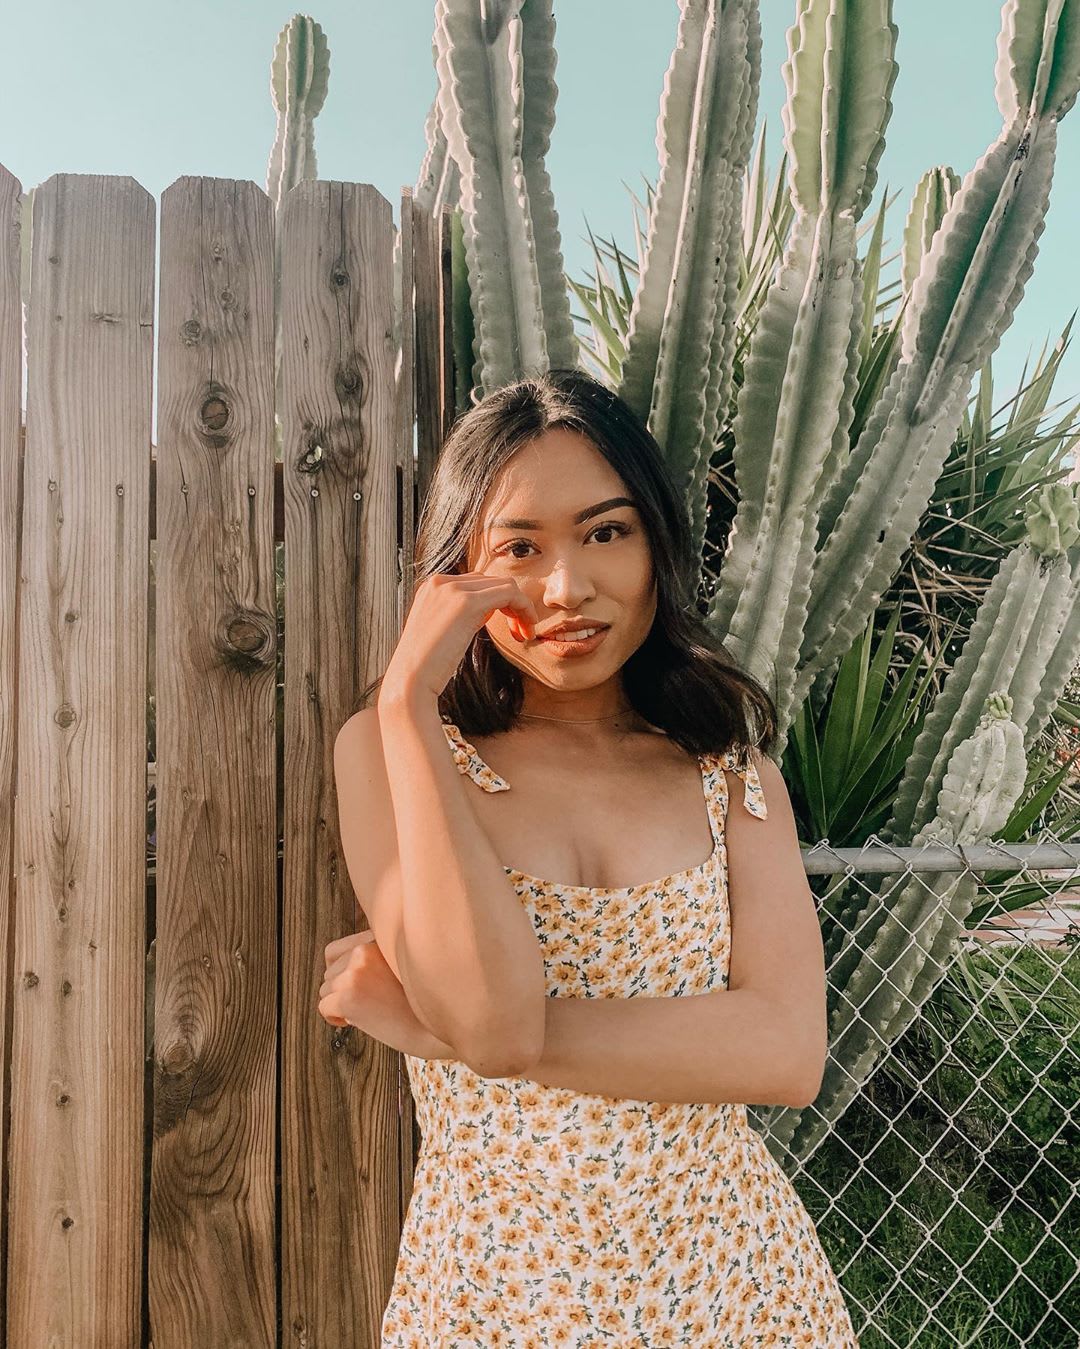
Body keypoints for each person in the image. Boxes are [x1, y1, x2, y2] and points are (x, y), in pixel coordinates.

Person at [323, 368, 860, 1346]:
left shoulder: (729, 775)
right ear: (458, 571)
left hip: (735, 1290)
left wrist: (446, 1031)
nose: (566, 587)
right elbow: (493, 1017)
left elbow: (785, 1052)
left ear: (656, 541)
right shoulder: (395, 755)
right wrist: (406, 699)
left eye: (606, 531)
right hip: (499, 1293)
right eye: (519, 547)